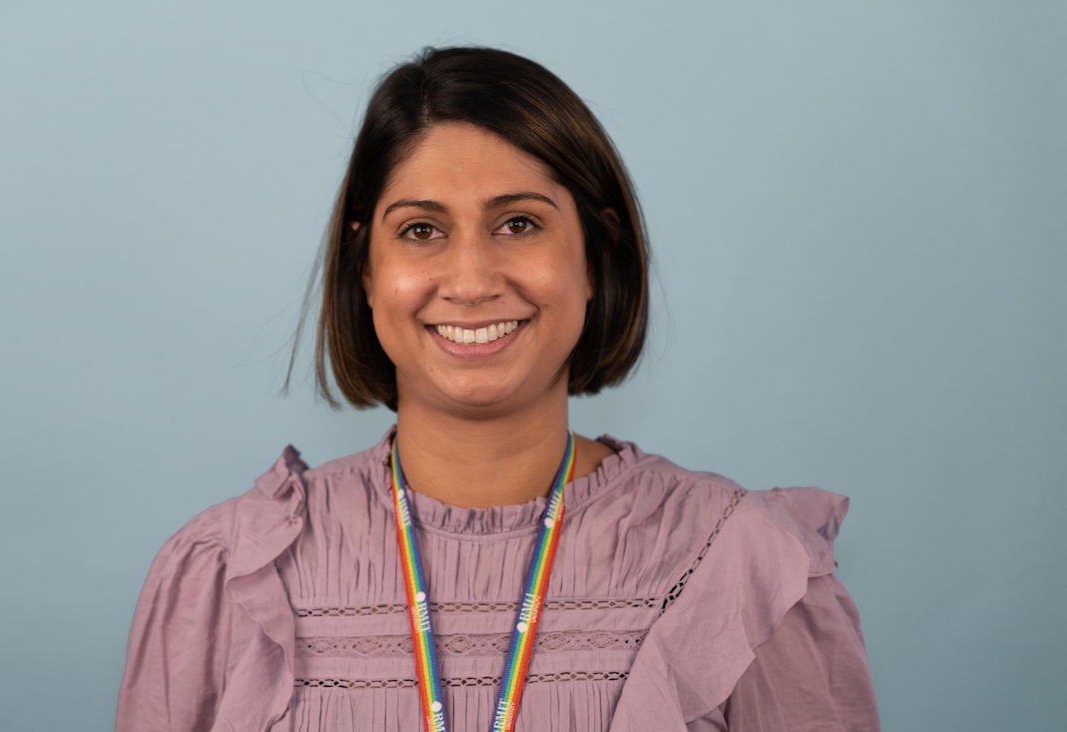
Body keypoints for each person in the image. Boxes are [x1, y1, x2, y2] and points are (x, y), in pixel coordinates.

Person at [116, 47, 880, 732]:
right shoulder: (226, 576)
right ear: (365, 269)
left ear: (596, 257)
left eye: (518, 223)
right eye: (421, 230)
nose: (474, 281)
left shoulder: (749, 571)